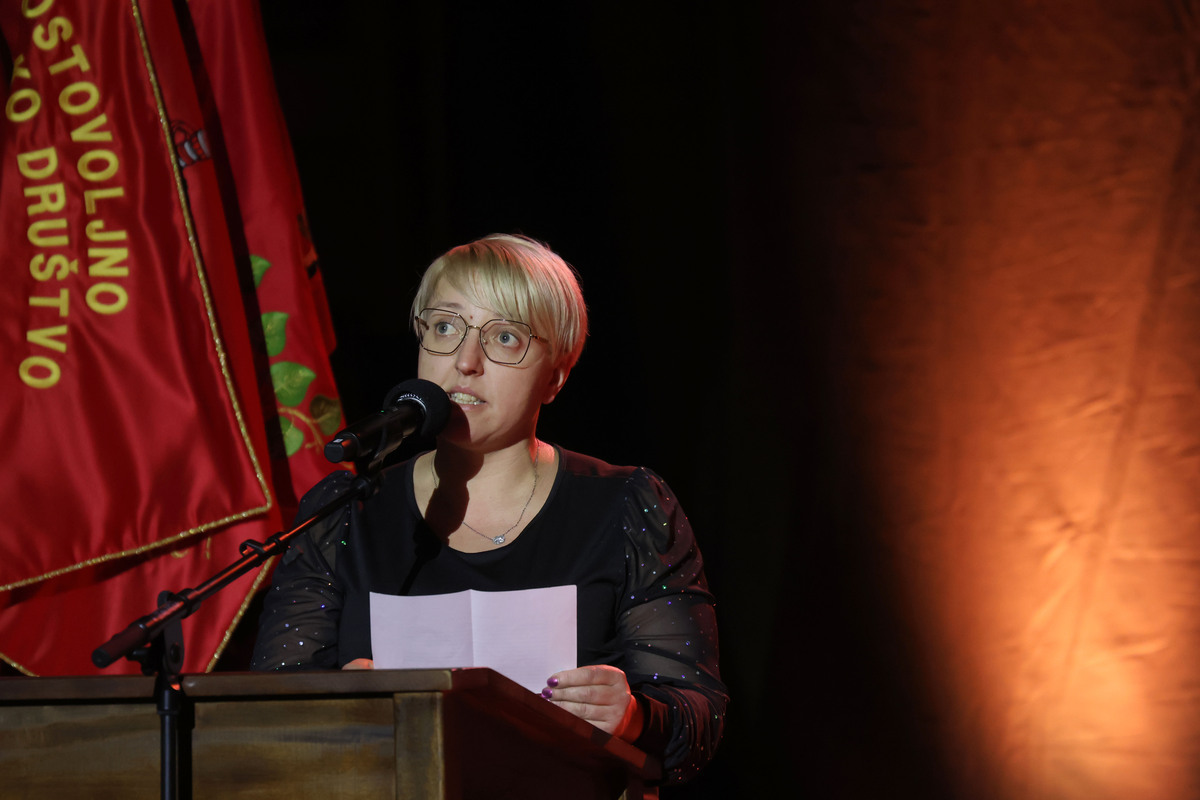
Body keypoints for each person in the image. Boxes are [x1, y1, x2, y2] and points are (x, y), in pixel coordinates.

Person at [250, 234, 727, 785]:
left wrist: (634, 716)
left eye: (504, 337)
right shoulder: (347, 512)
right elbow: (268, 715)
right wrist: (333, 703)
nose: (465, 362)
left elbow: (699, 717)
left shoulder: (625, 507)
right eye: (445, 327)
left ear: (556, 376)